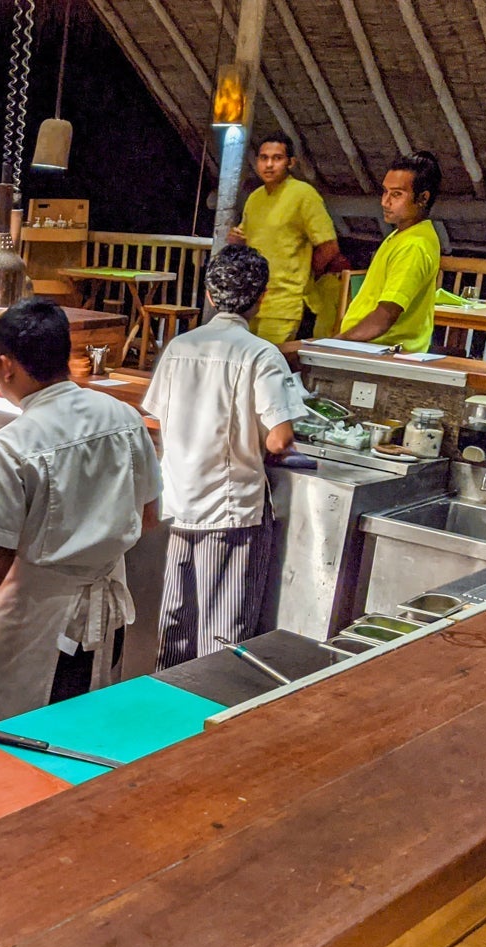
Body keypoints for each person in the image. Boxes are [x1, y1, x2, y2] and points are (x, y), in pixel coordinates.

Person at [0, 297, 161, 720]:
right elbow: (148, 516)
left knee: (21, 739)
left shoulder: (11, 446)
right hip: (106, 616)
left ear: (5, 365)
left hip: (40, 627)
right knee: (85, 729)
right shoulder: (125, 418)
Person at [144, 246, 309, 669]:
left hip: (176, 502)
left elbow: (158, 416)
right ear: (262, 297)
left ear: (210, 295)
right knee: (223, 633)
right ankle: (215, 706)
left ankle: (167, 705)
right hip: (230, 511)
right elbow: (280, 439)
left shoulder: (179, 347)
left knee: (172, 625)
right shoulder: (261, 353)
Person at [226, 132, 348, 345]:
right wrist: (236, 241)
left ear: (291, 162)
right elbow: (247, 238)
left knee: (267, 358)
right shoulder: (254, 198)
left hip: (285, 300)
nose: (269, 165)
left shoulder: (303, 194)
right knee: (243, 357)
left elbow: (329, 246)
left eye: (277, 158)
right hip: (251, 299)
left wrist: (306, 275)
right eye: (264, 158)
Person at [331, 151, 443, 354]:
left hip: (384, 352)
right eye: (385, 192)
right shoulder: (402, 235)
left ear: (423, 198)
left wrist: (335, 343)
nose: (385, 201)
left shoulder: (414, 246)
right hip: (370, 347)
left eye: (397, 194)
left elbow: (385, 316)